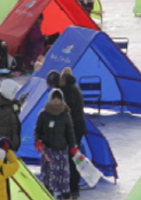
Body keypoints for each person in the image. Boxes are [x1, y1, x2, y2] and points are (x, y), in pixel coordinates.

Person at [47, 68, 86, 198]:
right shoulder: (72, 87)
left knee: (69, 159)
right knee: (70, 158)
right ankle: (71, 188)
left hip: (72, 130)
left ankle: (71, 189)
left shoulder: (66, 92)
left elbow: (65, 113)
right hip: (77, 128)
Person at [34, 88, 76, 200]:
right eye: (54, 99)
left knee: (64, 177)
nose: (56, 101)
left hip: (62, 150)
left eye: (58, 99)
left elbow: (70, 132)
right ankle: (48, 196)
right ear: (50, 99)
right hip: (48, 151)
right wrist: (37, 140)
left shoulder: (65, 115)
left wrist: (73, 146)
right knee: (49, 177)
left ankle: (66, 196)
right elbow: (37, 130)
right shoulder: (43, 114)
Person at [0, 80, 23, 151]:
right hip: (6, 149)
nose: (15, 96)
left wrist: (20, 103)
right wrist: (6, 149)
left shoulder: (9, 105)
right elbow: (1, 134)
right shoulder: (2, 112)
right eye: (14, 94)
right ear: (10, 93)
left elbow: (14, 111)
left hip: (12, 147)